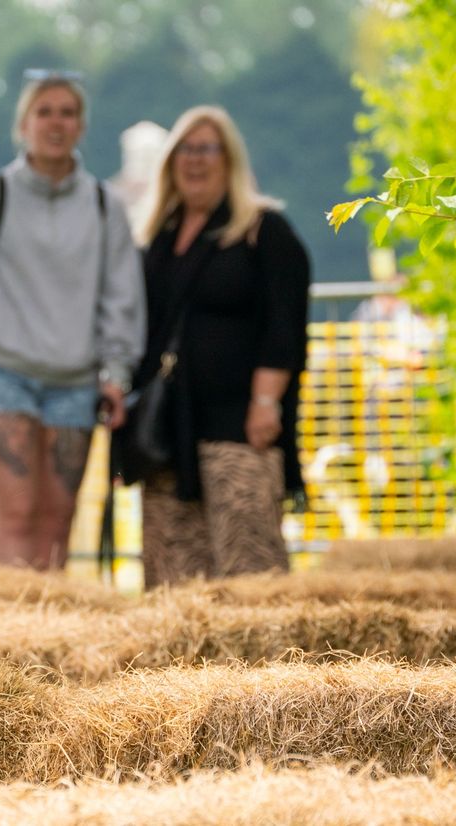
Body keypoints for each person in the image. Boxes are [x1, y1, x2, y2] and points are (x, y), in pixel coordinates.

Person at [0, 71, 145, 571]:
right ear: (24, 124)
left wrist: (117, 374)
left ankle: (49, 634)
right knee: (18, 513)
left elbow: (121, 296)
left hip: (76, 383)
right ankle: (15, 640)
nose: (56, 123)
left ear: (81, 125)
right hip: (1, 374)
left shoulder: (105, 206)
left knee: (59, 520)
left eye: (68, 112)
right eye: (45, 111)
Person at [130, 104, 310, 589]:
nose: (196, 160)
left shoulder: (264, 230)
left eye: (208, 148)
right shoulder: (159, 239)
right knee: (172, 577)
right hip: (167, 431)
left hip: (239, 427)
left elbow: (284, 327)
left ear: (229, 158)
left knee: (250, 565)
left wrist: (266, 402)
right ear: (170, 162)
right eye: (186, 149)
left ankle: (267, 667)